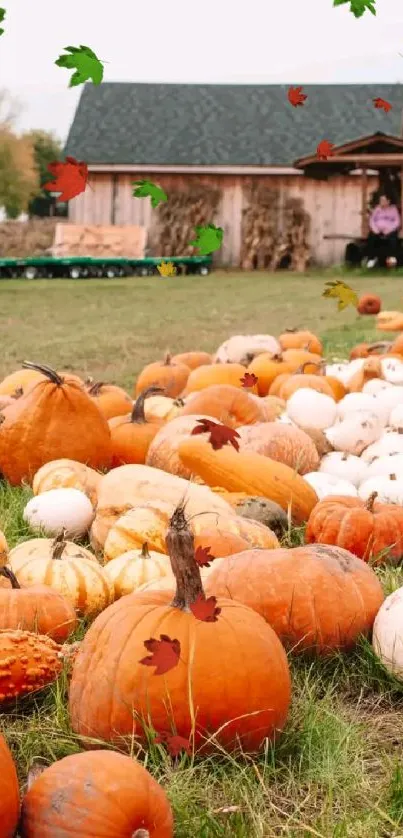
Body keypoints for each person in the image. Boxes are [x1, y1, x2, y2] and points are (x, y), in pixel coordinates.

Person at [366, 194, 401, 268]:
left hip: (389, 231)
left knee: (393, 239)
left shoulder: (393, 209)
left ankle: (392, 261)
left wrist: (389, 229)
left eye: (383, 200)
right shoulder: (377, 209)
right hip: (378, 231)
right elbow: (372, 220)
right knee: (371, 238)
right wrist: (375, 229)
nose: (381, 202)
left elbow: (397, 221)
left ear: (388, 201)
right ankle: (371, 259)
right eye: (380, 200)